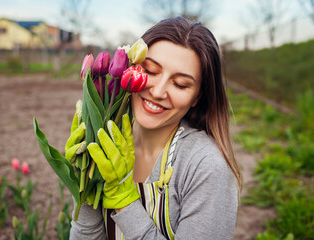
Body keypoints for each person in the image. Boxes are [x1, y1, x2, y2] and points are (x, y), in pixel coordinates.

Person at [70, 16, 242, 240]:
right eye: (150, 71)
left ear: (196, 97)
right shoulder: (107, 146)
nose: (158, 91)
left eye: (180, 84)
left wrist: (125, 203)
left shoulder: (205, 166)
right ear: (130, 66)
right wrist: (83, 184)